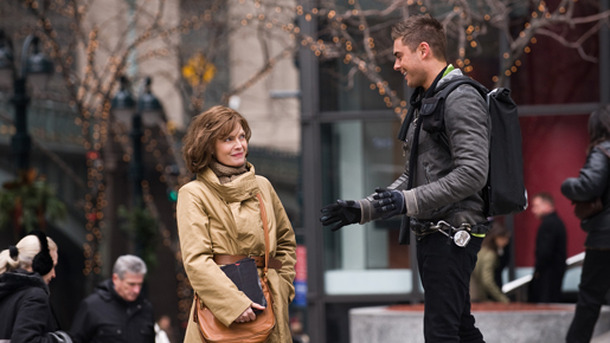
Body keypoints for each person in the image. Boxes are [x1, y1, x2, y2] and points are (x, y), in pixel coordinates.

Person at [320, 15, 491, 342]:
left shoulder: (460, 97)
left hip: (452, 233)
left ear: (423, 50)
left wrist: (407, 201)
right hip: (436, 233)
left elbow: (473, 172)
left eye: (399, 55)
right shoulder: (430, 98)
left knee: (442, 333)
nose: (396, 65)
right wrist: (363, 209)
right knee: (460, 328)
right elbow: (413, 176)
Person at [176, 105, 297, 342]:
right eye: (228, 139)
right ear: (209, 146)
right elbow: (196, 261)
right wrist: (234, 304)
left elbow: (285, 243)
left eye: (242, 136)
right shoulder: (193, 193)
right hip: (221, 318)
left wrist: (282, 287)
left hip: (271, 307)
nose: (239, 145)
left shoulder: (263, 186)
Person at [562, 105, 610, 343]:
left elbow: (588, 186)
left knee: (589, 300)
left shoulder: (603, 151)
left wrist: (567, 184)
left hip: (604, 238)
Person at [0, 231, 72, 342]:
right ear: (40, 264)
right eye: (52, 266)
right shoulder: (35, 296)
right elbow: (26, 340)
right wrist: (60, 340)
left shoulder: (6, 290)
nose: (54, 274)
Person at [70, 254, 154, 343]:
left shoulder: (146, 308)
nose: (137, 290)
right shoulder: (92, 306)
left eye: (140, 284)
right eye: (131, 284)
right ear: (115, 279)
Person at [528, 192, 567, 303]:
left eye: (536, 206)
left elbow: (545, 251)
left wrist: (538, 269)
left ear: (547, 205)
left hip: (547, 274)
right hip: (554, 272)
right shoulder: (557, 222)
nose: (533, 210)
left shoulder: (548, 224)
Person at [470, 222, 511, 303]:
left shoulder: (481, 250)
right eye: (504, 238)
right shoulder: (490, 255)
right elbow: (487, 280)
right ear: (496, 237)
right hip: (476, 295)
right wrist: (503, 299)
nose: (506, 242)